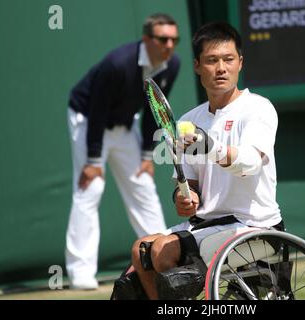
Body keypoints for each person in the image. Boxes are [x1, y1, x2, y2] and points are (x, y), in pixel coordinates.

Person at [125, 21, 282, 300]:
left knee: (163, 251)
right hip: (206, 226)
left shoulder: (258, 108)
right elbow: (189, 185)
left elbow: (250, 163)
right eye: (211, 60)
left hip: (254, 227)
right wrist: (184, 198)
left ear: (240, 63)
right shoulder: (188, 120)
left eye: (228, 59)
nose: (221, 68)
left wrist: (211, 147)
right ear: (198, 66)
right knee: (141, 250)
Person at [65, 13, 181, 290]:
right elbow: (97, 111)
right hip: (88, 121)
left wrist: (146, 155)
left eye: (174, 39)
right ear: (147, 39)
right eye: (163, 39)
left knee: (143, 184)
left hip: (125, 126)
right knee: (90, 188)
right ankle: (81, 272)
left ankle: (162, 257)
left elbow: (155, 109)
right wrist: (93, 160)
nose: (169, 45)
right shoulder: (116, 64)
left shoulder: (171, 64)